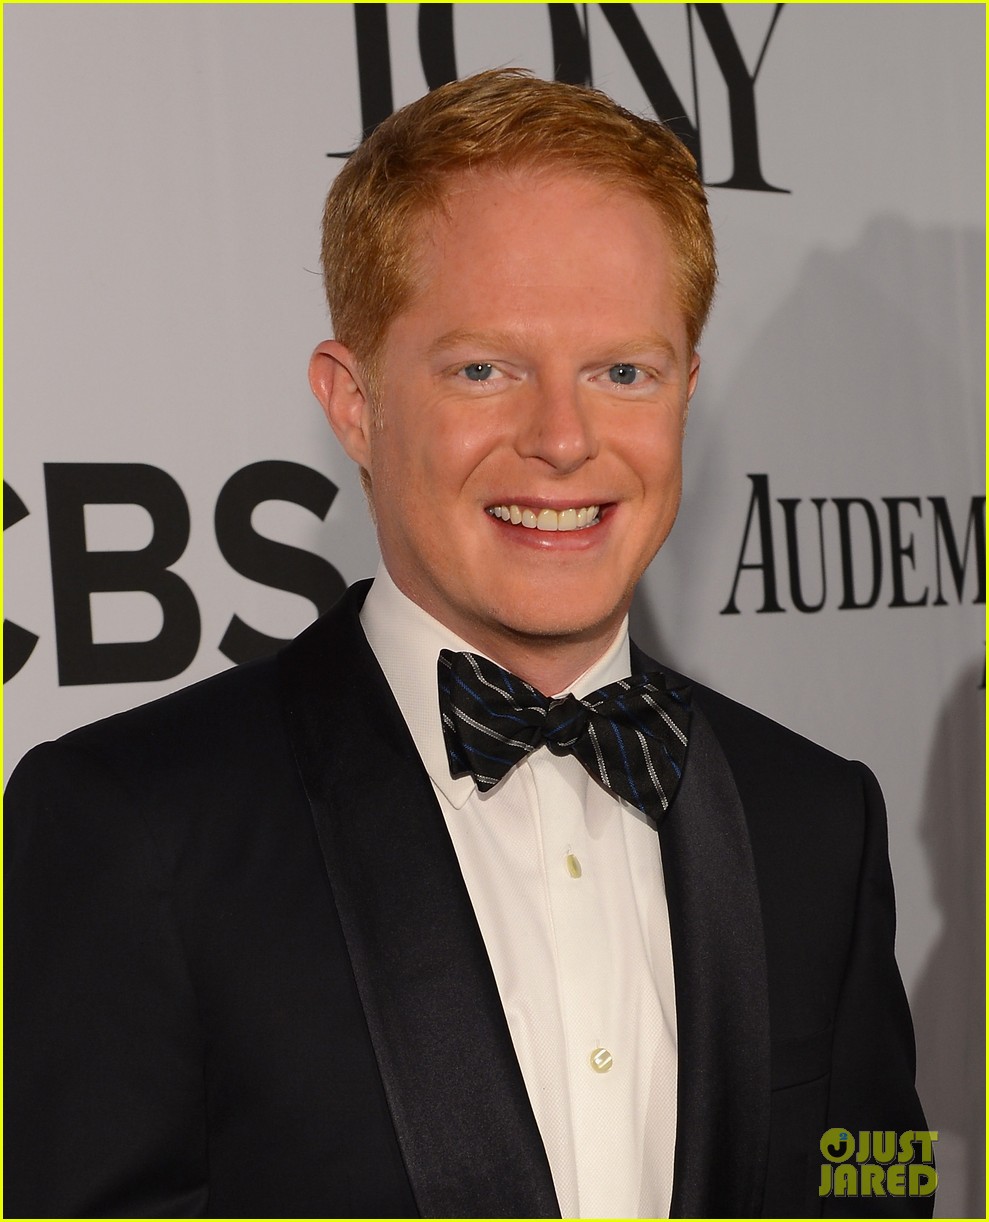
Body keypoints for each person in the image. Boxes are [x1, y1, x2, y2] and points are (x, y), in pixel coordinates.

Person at [5, 69, 929, 1218]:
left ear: (684, 392)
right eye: (483, 369)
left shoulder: (816, 818)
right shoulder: (133, 830)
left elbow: (879, 1183)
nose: (562, 439)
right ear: (354, 402)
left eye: (622, 372)